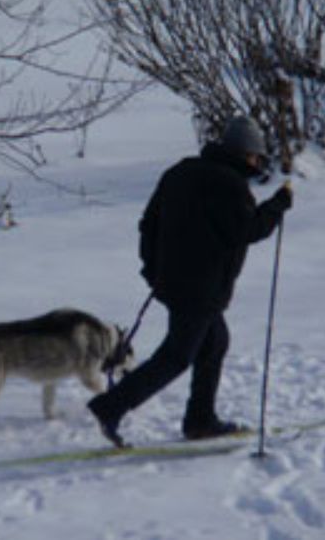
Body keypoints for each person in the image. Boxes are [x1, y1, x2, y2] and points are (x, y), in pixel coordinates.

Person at [88, 116, 293, 448]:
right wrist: (277, 206)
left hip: (173, 283)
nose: (257, 162)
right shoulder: (229, 185)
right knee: (177, 355)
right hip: (201, 290)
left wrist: (153, 270)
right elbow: (247, 230)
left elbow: (148, 224)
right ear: (245, 154)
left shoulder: (179, 173)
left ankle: (200, 420)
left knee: (214, 343)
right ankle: (111, 407)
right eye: (256, 156)